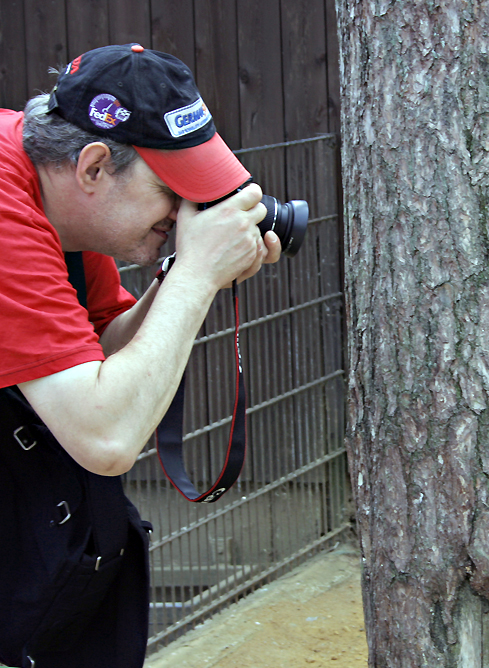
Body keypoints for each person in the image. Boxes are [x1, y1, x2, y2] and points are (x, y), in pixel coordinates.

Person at [0, 44, 282, 667]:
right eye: (172, 192)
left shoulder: (56, 189)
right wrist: (197, 274)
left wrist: (182, 270)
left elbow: (93, 353)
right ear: (95, 167)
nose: (181, 215)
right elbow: (104, 436)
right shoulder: (6, 212)